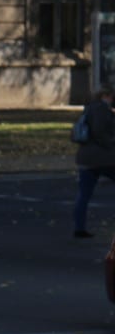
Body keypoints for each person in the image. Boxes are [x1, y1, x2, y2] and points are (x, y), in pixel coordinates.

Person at [73, 86, 115, 239]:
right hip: (103, 157)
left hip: (86, 157)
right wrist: (111, 143)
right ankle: (79, 228)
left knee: (84, 194)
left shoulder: (89, 109)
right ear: (106, 96)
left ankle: (79, 227)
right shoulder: (101, 110)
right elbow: (101, 133)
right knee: (84, 193)